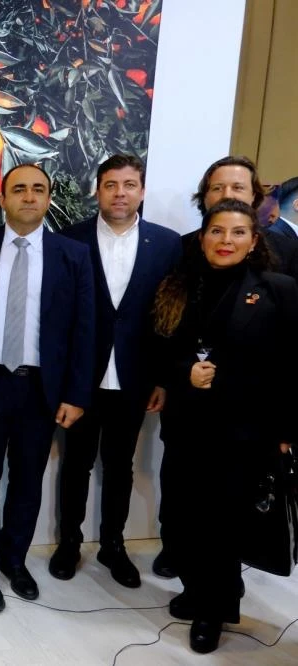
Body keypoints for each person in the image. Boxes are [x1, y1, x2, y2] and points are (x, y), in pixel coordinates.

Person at [152, 198, 298, 654]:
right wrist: (184, 373)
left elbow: (291, 367)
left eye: (238, 232)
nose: (226, 240)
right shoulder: (179, 286)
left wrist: (286, 432)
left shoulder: (279, 289)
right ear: (202, 238)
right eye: (217, 231)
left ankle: (212, 611)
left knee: (222, 524)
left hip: (244, 432)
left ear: (254, 241)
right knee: (183, 518)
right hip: (186, 426)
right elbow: (158, 351)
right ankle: (198, 589)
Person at [0, 163, 95, 612]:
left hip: (40, 390)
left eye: (37, 189)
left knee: (28, 481)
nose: (28, 197)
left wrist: (76, 395)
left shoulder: (73, 255)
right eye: (19, 189)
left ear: (48, 198)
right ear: (3, 198)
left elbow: (84, 330)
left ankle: (14, 560)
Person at [49, 155, 181, 588]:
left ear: (141, 191)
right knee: (76, 465)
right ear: (98, 191)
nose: (120, 193)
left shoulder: (167, 244)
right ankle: (69, 543)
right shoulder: (69, 239)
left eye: (129, 185)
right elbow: (59, 316)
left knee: (120, 466)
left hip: (135, 379)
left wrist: (162, 378)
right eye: (110, 185)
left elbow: (170, 317)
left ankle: (112, 545)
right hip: (81, 380)